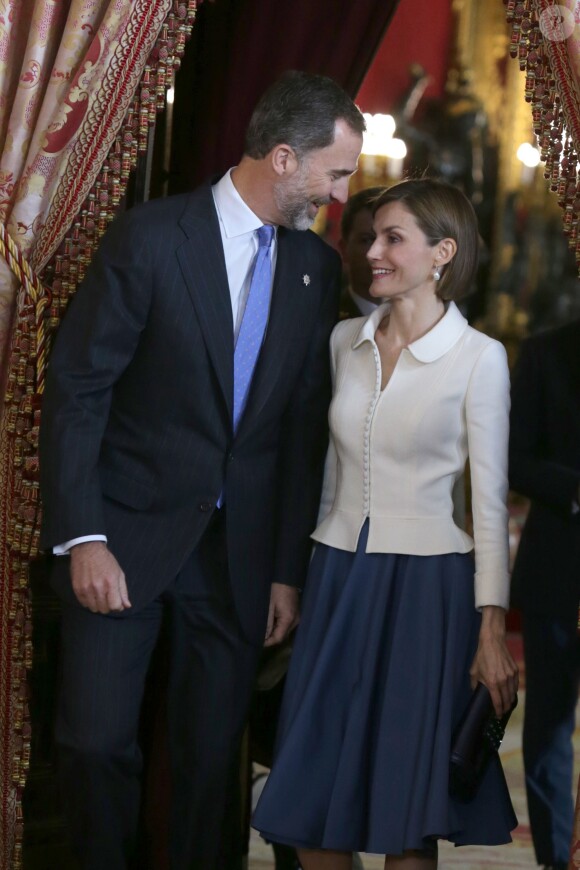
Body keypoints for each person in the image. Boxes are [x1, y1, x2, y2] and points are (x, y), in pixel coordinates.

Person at [38, 70, 365, 870]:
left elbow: (297, 434)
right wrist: (83, 536)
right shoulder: (151, 238)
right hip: (121, 540)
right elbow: (80, 392)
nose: (341, 193)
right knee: (92, 745)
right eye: (338, 172)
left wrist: (285, 571)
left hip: (237, 560)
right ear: (284, 158)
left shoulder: (315, 272)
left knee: (213, 768)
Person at [253, 178, 519, 869]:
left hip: (426, 590)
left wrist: (492, 630)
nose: (372, 250)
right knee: (308, 802)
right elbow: (327, 474)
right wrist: (294, 578)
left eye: (392, 238)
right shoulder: (345, 340)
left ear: (442, 253)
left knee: (405, 813)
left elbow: (487, 505)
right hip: (337, 576)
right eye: (372, 236)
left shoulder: (479, 358)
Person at [509, 321, 580, 870]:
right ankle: (558, 862)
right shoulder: (544, 351)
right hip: (558, 569)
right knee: (549, 729)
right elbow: (515, 457)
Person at [337, 185, 386, 318]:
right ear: (344, 249)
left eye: (392, 239)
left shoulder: (425, 320)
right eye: (367, 240)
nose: (378, 252)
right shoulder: (325, 320)